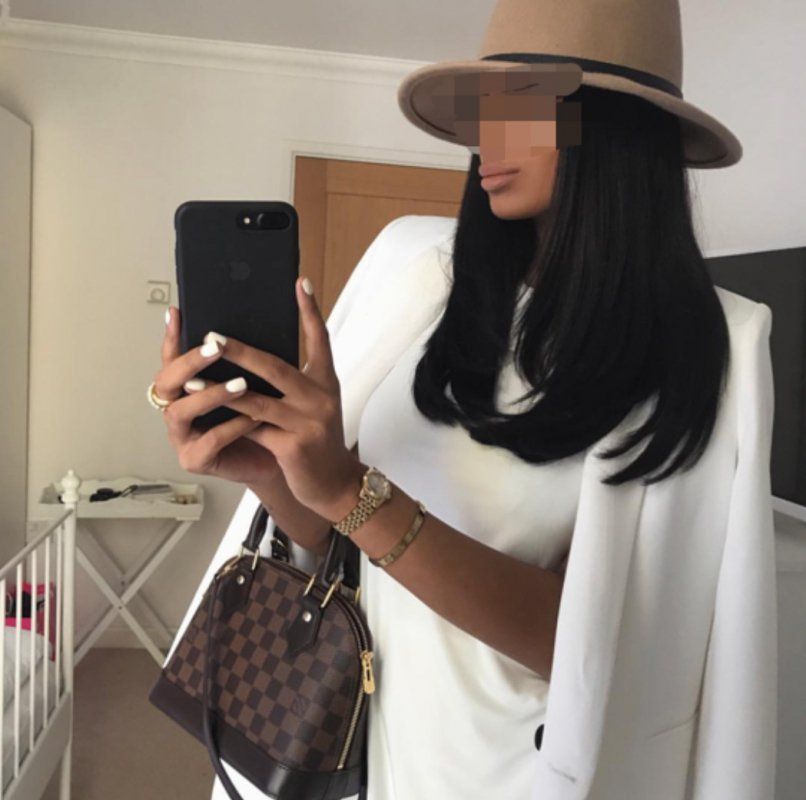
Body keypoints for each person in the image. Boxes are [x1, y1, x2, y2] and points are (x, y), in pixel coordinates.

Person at [150, 1, 776, 798]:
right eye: (485, 108)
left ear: (612, 127)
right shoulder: (419, 275)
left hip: (512, 771)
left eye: (523, 106)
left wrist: (350, 491)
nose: (487, 135)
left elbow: (616, 654)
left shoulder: (707, 346)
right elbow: (338, 549)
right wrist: (276, 473)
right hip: (355, 742)